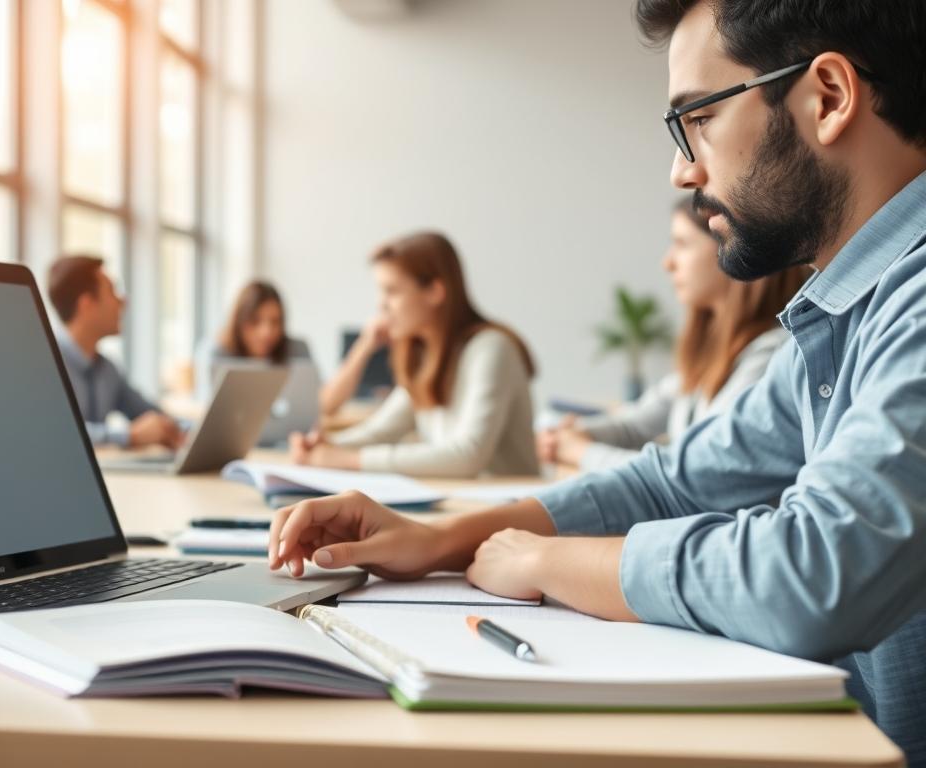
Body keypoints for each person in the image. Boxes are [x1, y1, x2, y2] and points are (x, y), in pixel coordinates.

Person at [268, 1, 926, 761]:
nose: (683, 169)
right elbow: (674, 483)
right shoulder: (844, 313)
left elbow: (816, 574)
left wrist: (547, 562)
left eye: (700, 118)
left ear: (829, 97)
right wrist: (441, 539)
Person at [538, 198, 806, 470]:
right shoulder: (709, 357)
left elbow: (695, 472)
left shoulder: (771, 356)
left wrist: (581, 451)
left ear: (733, 251)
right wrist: (574, 434)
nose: (667, 263)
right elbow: (634, 425)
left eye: (682, 244)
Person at [289, 232, 539, 478]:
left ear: (435, 291)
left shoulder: (492, 348)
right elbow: (381, 431)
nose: (381, 305)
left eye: (391, 291)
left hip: (504, 502)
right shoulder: (422, 356)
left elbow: (468, 455)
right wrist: (327, 445)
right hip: (460, 497)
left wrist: (350, 460)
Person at [47, 255, 184, 450]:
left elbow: (149, 413)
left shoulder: (107, 369)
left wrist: (186, 428)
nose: (123, 301)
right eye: (112, 291)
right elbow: (56, 433)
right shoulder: (45, 364)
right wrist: (129, 436)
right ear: (87, 304)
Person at [194, 281, 313, 401]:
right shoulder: (216, 353)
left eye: (275, 322)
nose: (266, 332)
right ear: (239, 321)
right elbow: (205, 404)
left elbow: (315, 397)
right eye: (255, 321)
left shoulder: (297, 350)